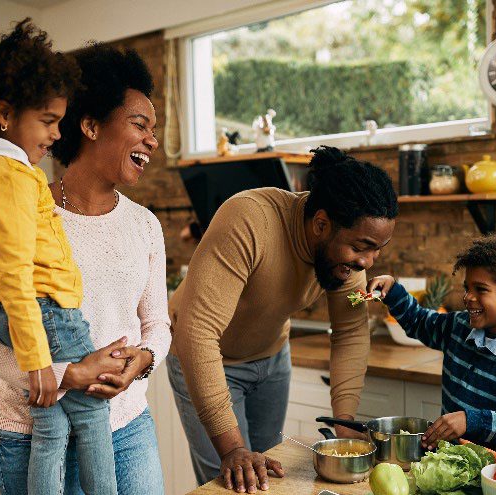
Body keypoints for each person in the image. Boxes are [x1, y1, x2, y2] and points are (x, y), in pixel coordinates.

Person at [0, 43, 169, 494]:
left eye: (155, 129)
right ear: (90, 126)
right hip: (31, 435)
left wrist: (144, 360)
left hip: (127, 428)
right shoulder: (22, 209)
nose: (153, 140)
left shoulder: (144, 225)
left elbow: (157, 323)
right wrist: (62, 375)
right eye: (140, 125)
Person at [168, 146, 399, 492]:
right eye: (361, 247)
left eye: (376, 249)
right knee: (234, 482)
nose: (368, 262)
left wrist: (344, 422)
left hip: (272, 361)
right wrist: (232, 449)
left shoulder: (348, 256)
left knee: (270, 479)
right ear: (321, 223)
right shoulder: (249, 220)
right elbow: (197, 332)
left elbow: (350, 331)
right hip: (205, 359)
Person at [367, 234, 496, 453]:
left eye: (481, 289)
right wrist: (392, 291)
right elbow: (419, 321)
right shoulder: (458, 327)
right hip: (447, 465)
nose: (468, 297)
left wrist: (472, 421)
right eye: (467, 288)